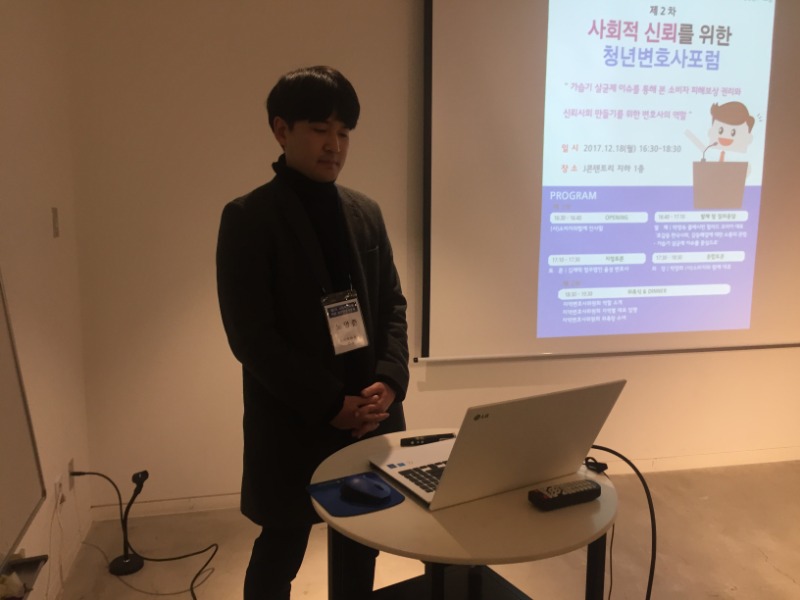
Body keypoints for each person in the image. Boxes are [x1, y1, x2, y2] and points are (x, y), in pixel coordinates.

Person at [215, 65, 410, 599]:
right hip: (294, 418)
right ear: (281, 130)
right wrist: (329, 403)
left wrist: (390, 380)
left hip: (368, 416)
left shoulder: (365, 212)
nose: (334, 145)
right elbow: (251, 337)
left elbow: (392, 305)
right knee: (281, 546)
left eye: (344, 132)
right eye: (320, 129)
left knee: (362, 542)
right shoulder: (248, 218)